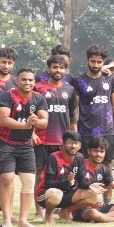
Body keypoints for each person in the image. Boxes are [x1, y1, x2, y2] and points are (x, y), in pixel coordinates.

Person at [0, 67, 48, 227]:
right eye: (24, 79)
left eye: (30, 80)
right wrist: (26, 125)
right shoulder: (7, 96)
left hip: (25, 146)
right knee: (7, 179)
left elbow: (44, 122)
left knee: (29, 182)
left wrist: (36, 121)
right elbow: (3, 119)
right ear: (17, 80)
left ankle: (23, 220)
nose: (27, 82)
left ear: (34, 82)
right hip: (6, 143)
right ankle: (7, 219)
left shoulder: (39, 99)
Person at [70, 135, 114, 222]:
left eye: (102, 151)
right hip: (82, 209)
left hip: (100, 207)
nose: (98, 154)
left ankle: (102, 217)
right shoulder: (80, 165)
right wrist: (90, 201)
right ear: (89, 151)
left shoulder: (104, 169)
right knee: (92, 213)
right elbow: (74, 190)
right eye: (95, 151)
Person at [34, 51, 78, 184]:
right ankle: (39, 205)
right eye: (55, 67)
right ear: (48, 69)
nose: (58, 70)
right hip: (41, 139)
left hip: (61, 140)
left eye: (61, 67)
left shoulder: (70, 89)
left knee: (61, 174)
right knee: (40, 175)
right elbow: (31, 112)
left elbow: (72, 115)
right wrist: (32, 133)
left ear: (65, 70)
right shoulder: (38, 88)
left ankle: (59, 204)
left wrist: (75, 137)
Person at [38, 130, 83, 223]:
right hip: (46, 194)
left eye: (76, 143)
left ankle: (65, 211)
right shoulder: (53, 157)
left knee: (92, 195)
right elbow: (48, 183)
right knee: (56, 194)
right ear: (63, 145)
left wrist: (91, 186)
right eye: (70, 143)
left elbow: (82, 180)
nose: (73, 146)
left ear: (80, 146)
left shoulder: (80, 157)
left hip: (67, 195)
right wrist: (67, 182)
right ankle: (48, 213)